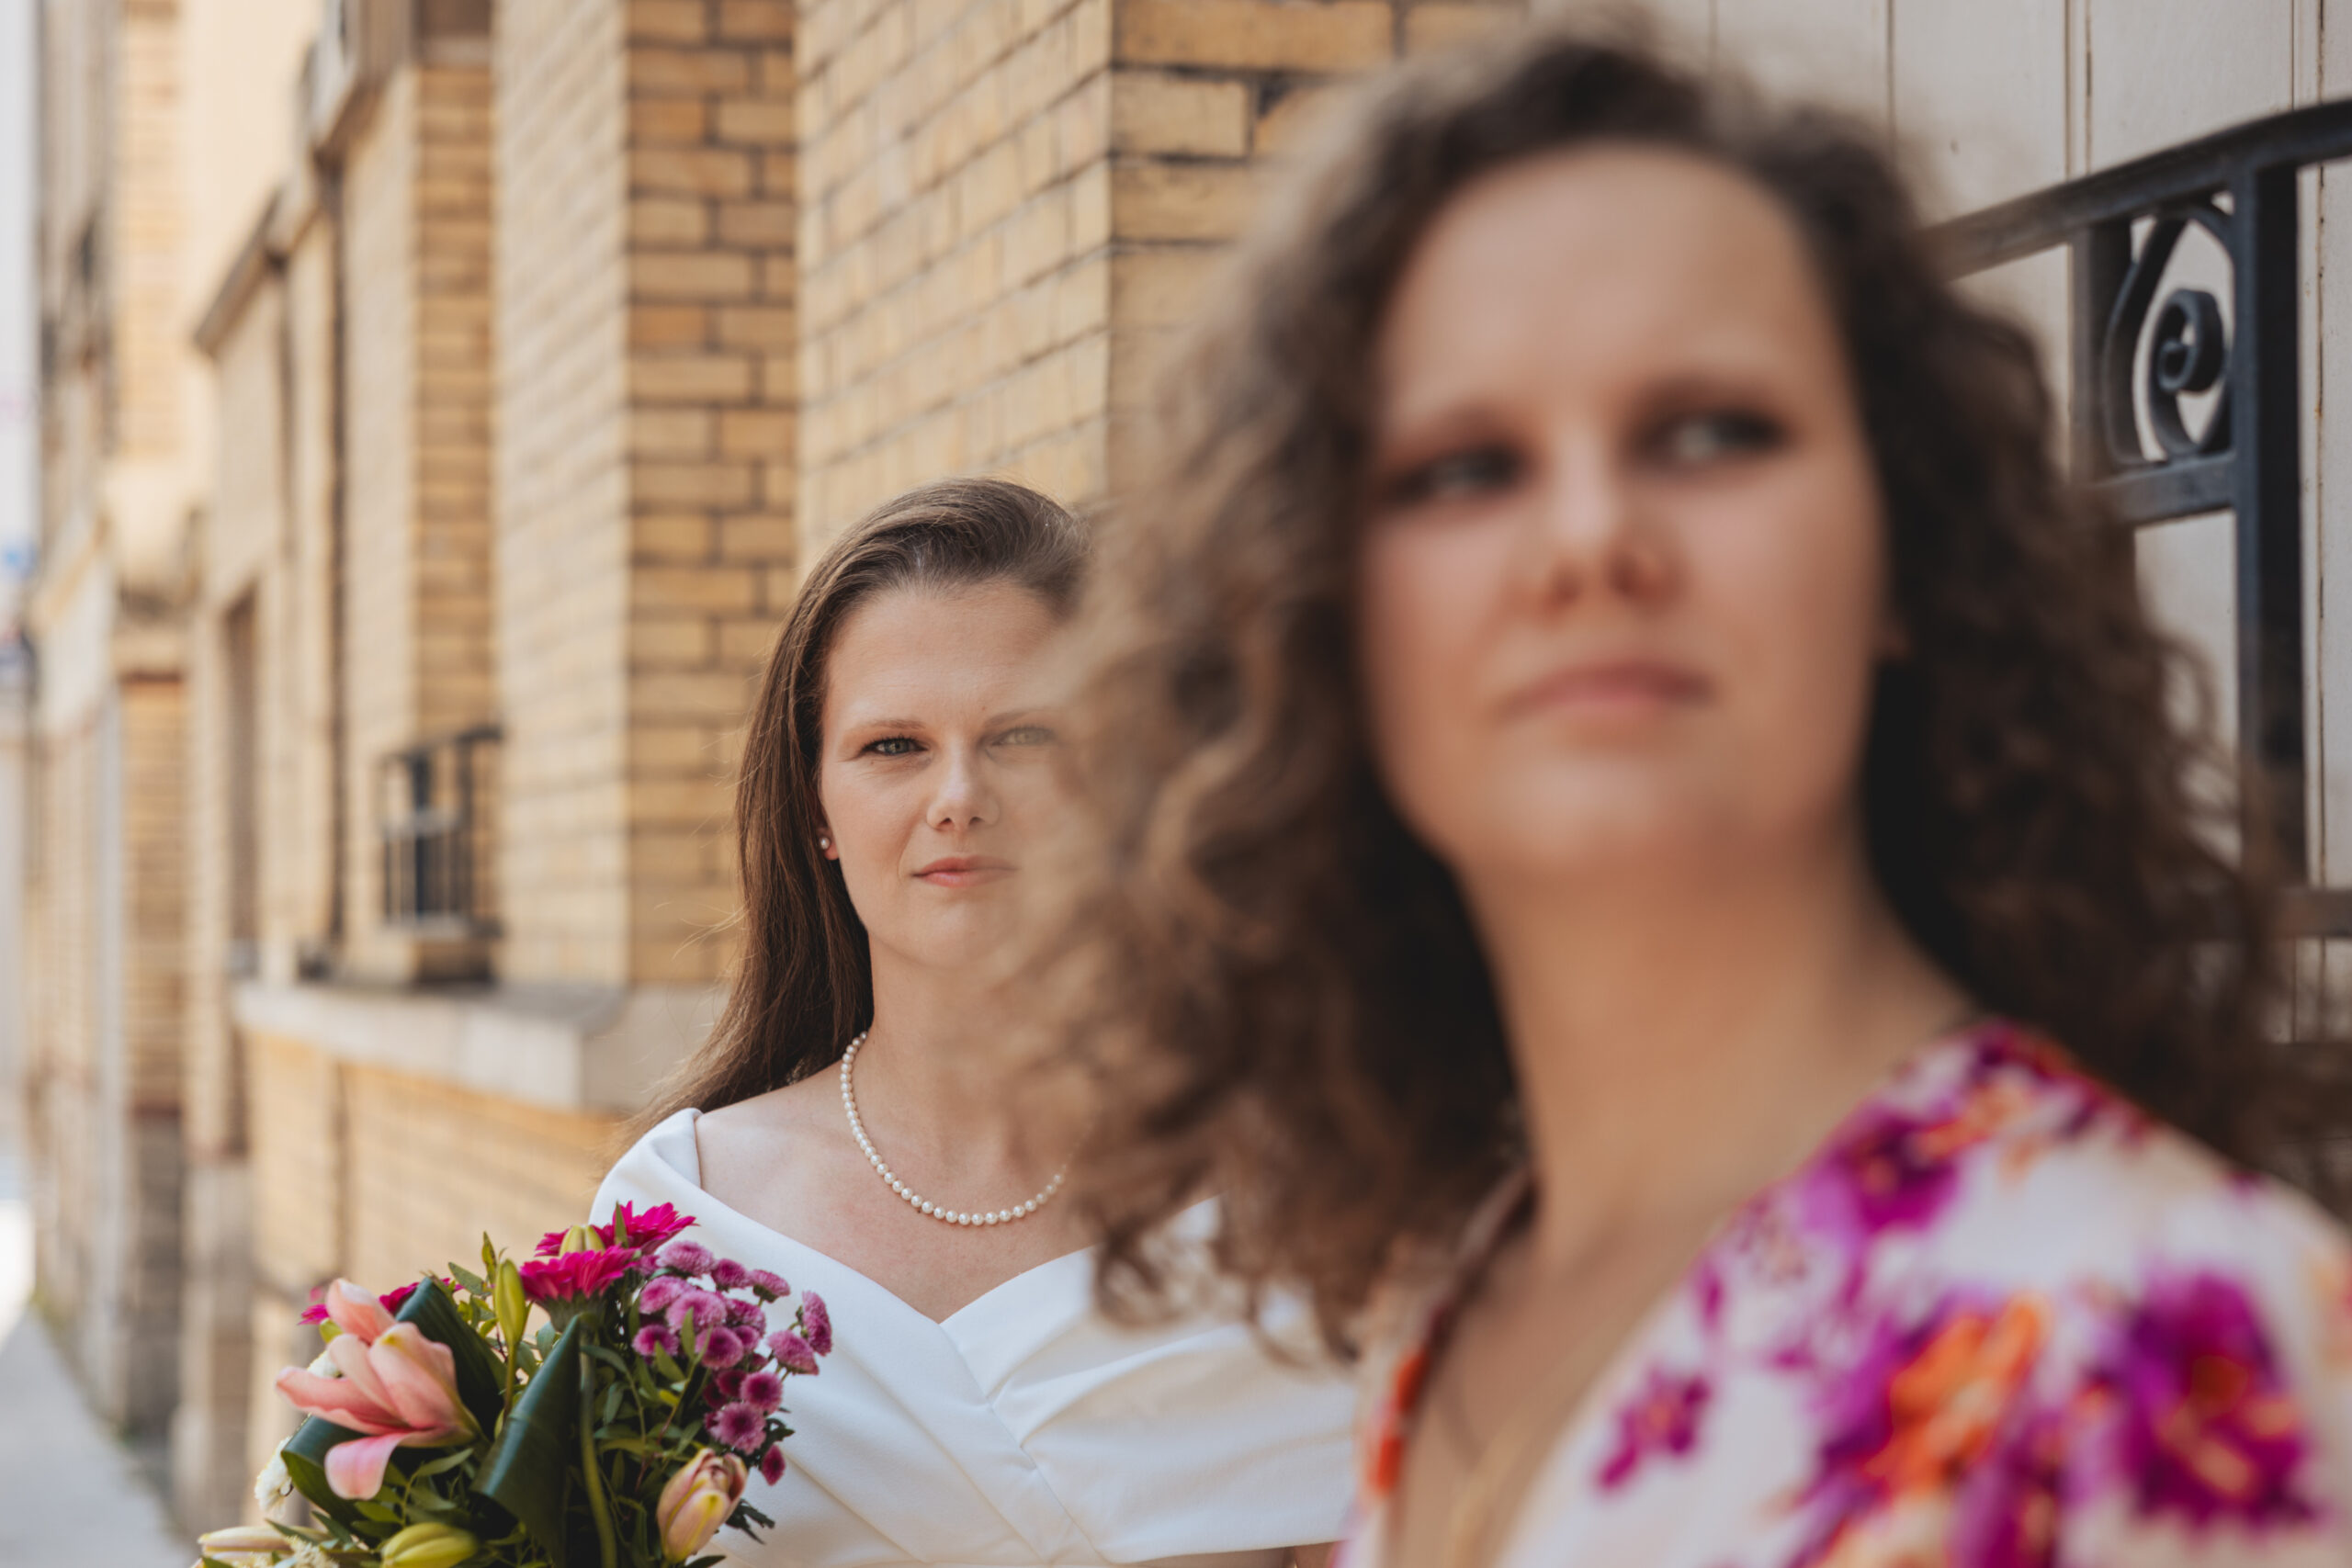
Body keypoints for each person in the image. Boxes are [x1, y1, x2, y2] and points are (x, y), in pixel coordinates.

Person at [1054, 21, 2352, 1568]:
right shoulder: (1470, 1289)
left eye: (1712, 432)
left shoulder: (2159, 1333)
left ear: (1903, 551)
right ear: (1327, 617)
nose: (1590, 537)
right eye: (1464, 466)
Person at [594, 479, 1353, 1567]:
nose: (958, 795)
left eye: (1025, 735)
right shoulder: (680, 1221)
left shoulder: (1293, 1207)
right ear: (816, 808)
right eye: (893, 746)